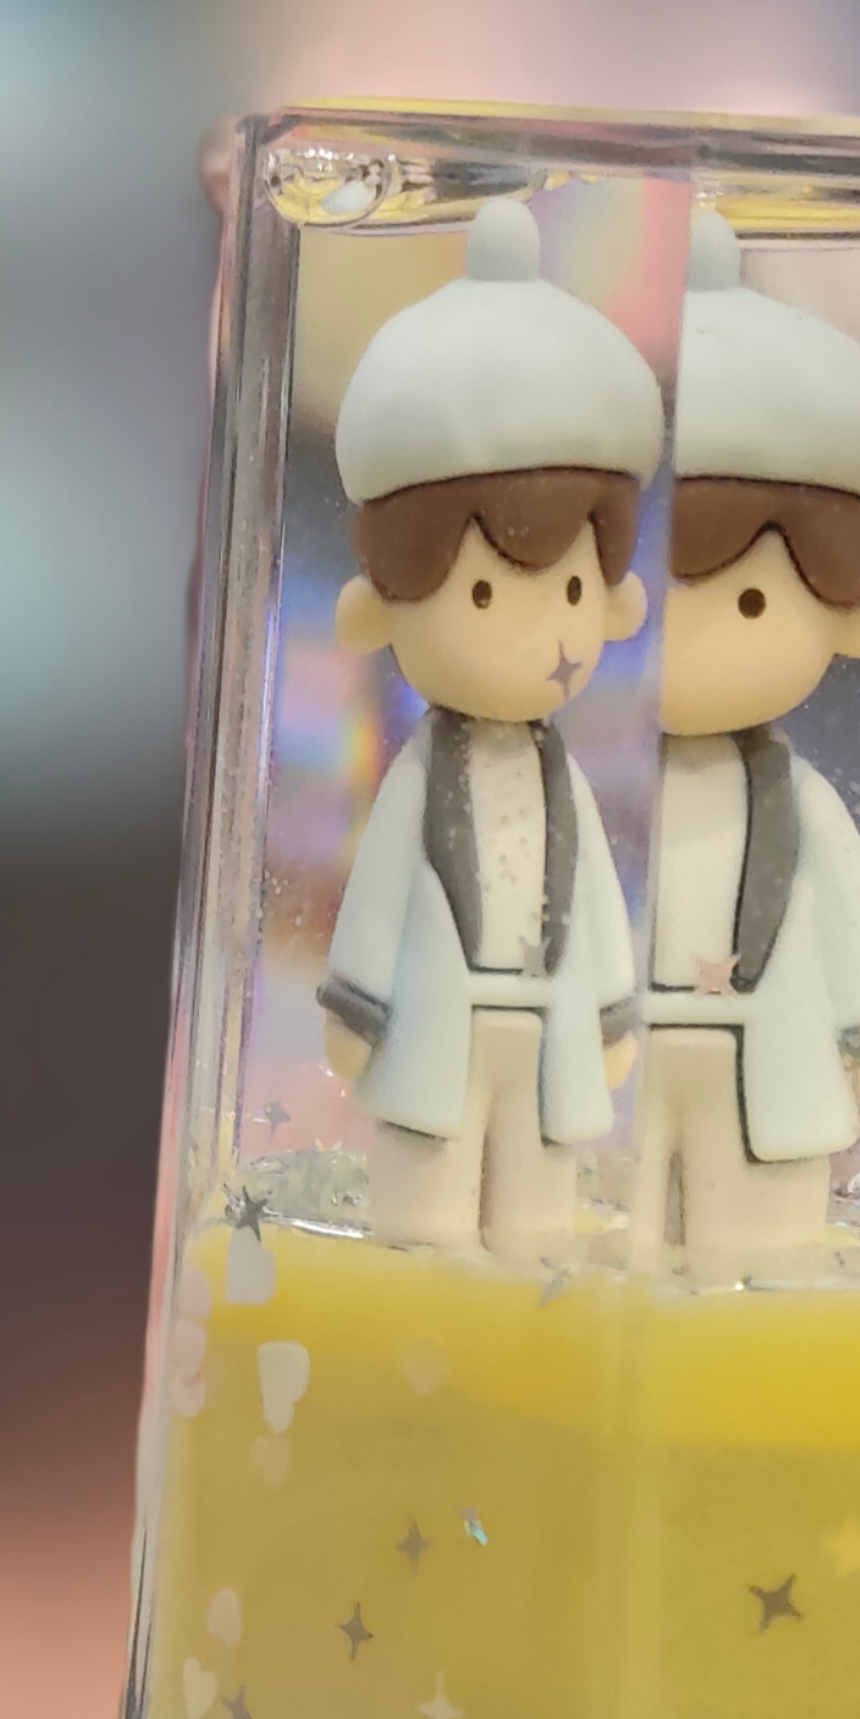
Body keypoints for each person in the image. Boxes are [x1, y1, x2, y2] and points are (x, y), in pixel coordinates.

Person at [320, 197, 660, 1259]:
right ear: (385, 602)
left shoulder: (565, 785)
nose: (541, 636)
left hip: (546, 1028)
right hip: (439, 1023)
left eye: (569, 590)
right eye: (482, 593)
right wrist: (360, 1007)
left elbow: (591, 896)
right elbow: (382, 890)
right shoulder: (420, 778)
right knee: (424, 1215)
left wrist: (607, 1012)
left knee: (535, 1221)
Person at [637, 209, 860, 1268]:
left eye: (751, 601)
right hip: (629, 1068)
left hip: (770, 1055)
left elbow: (849, 912)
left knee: (765, 1247)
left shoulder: (798, 802)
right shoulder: (589, 779)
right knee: (619, 1231)